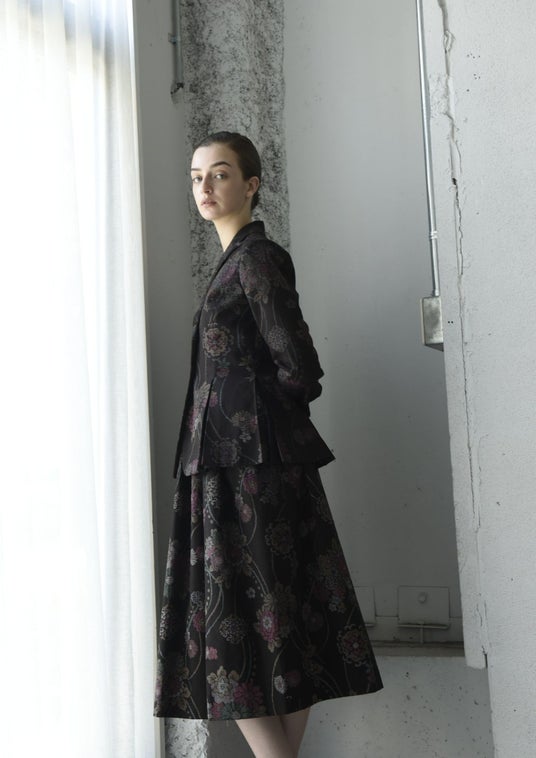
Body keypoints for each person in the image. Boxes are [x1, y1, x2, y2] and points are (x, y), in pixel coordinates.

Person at [154, 132, 383, 757]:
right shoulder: (234, 262)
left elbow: (299, 365)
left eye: (220, 173)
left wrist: (258, 425)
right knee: (273, 615)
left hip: (250, 467)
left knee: (254, 616)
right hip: (230, 463)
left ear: (251, 184)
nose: (204, 187)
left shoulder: (256, 258)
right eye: (196, 176)